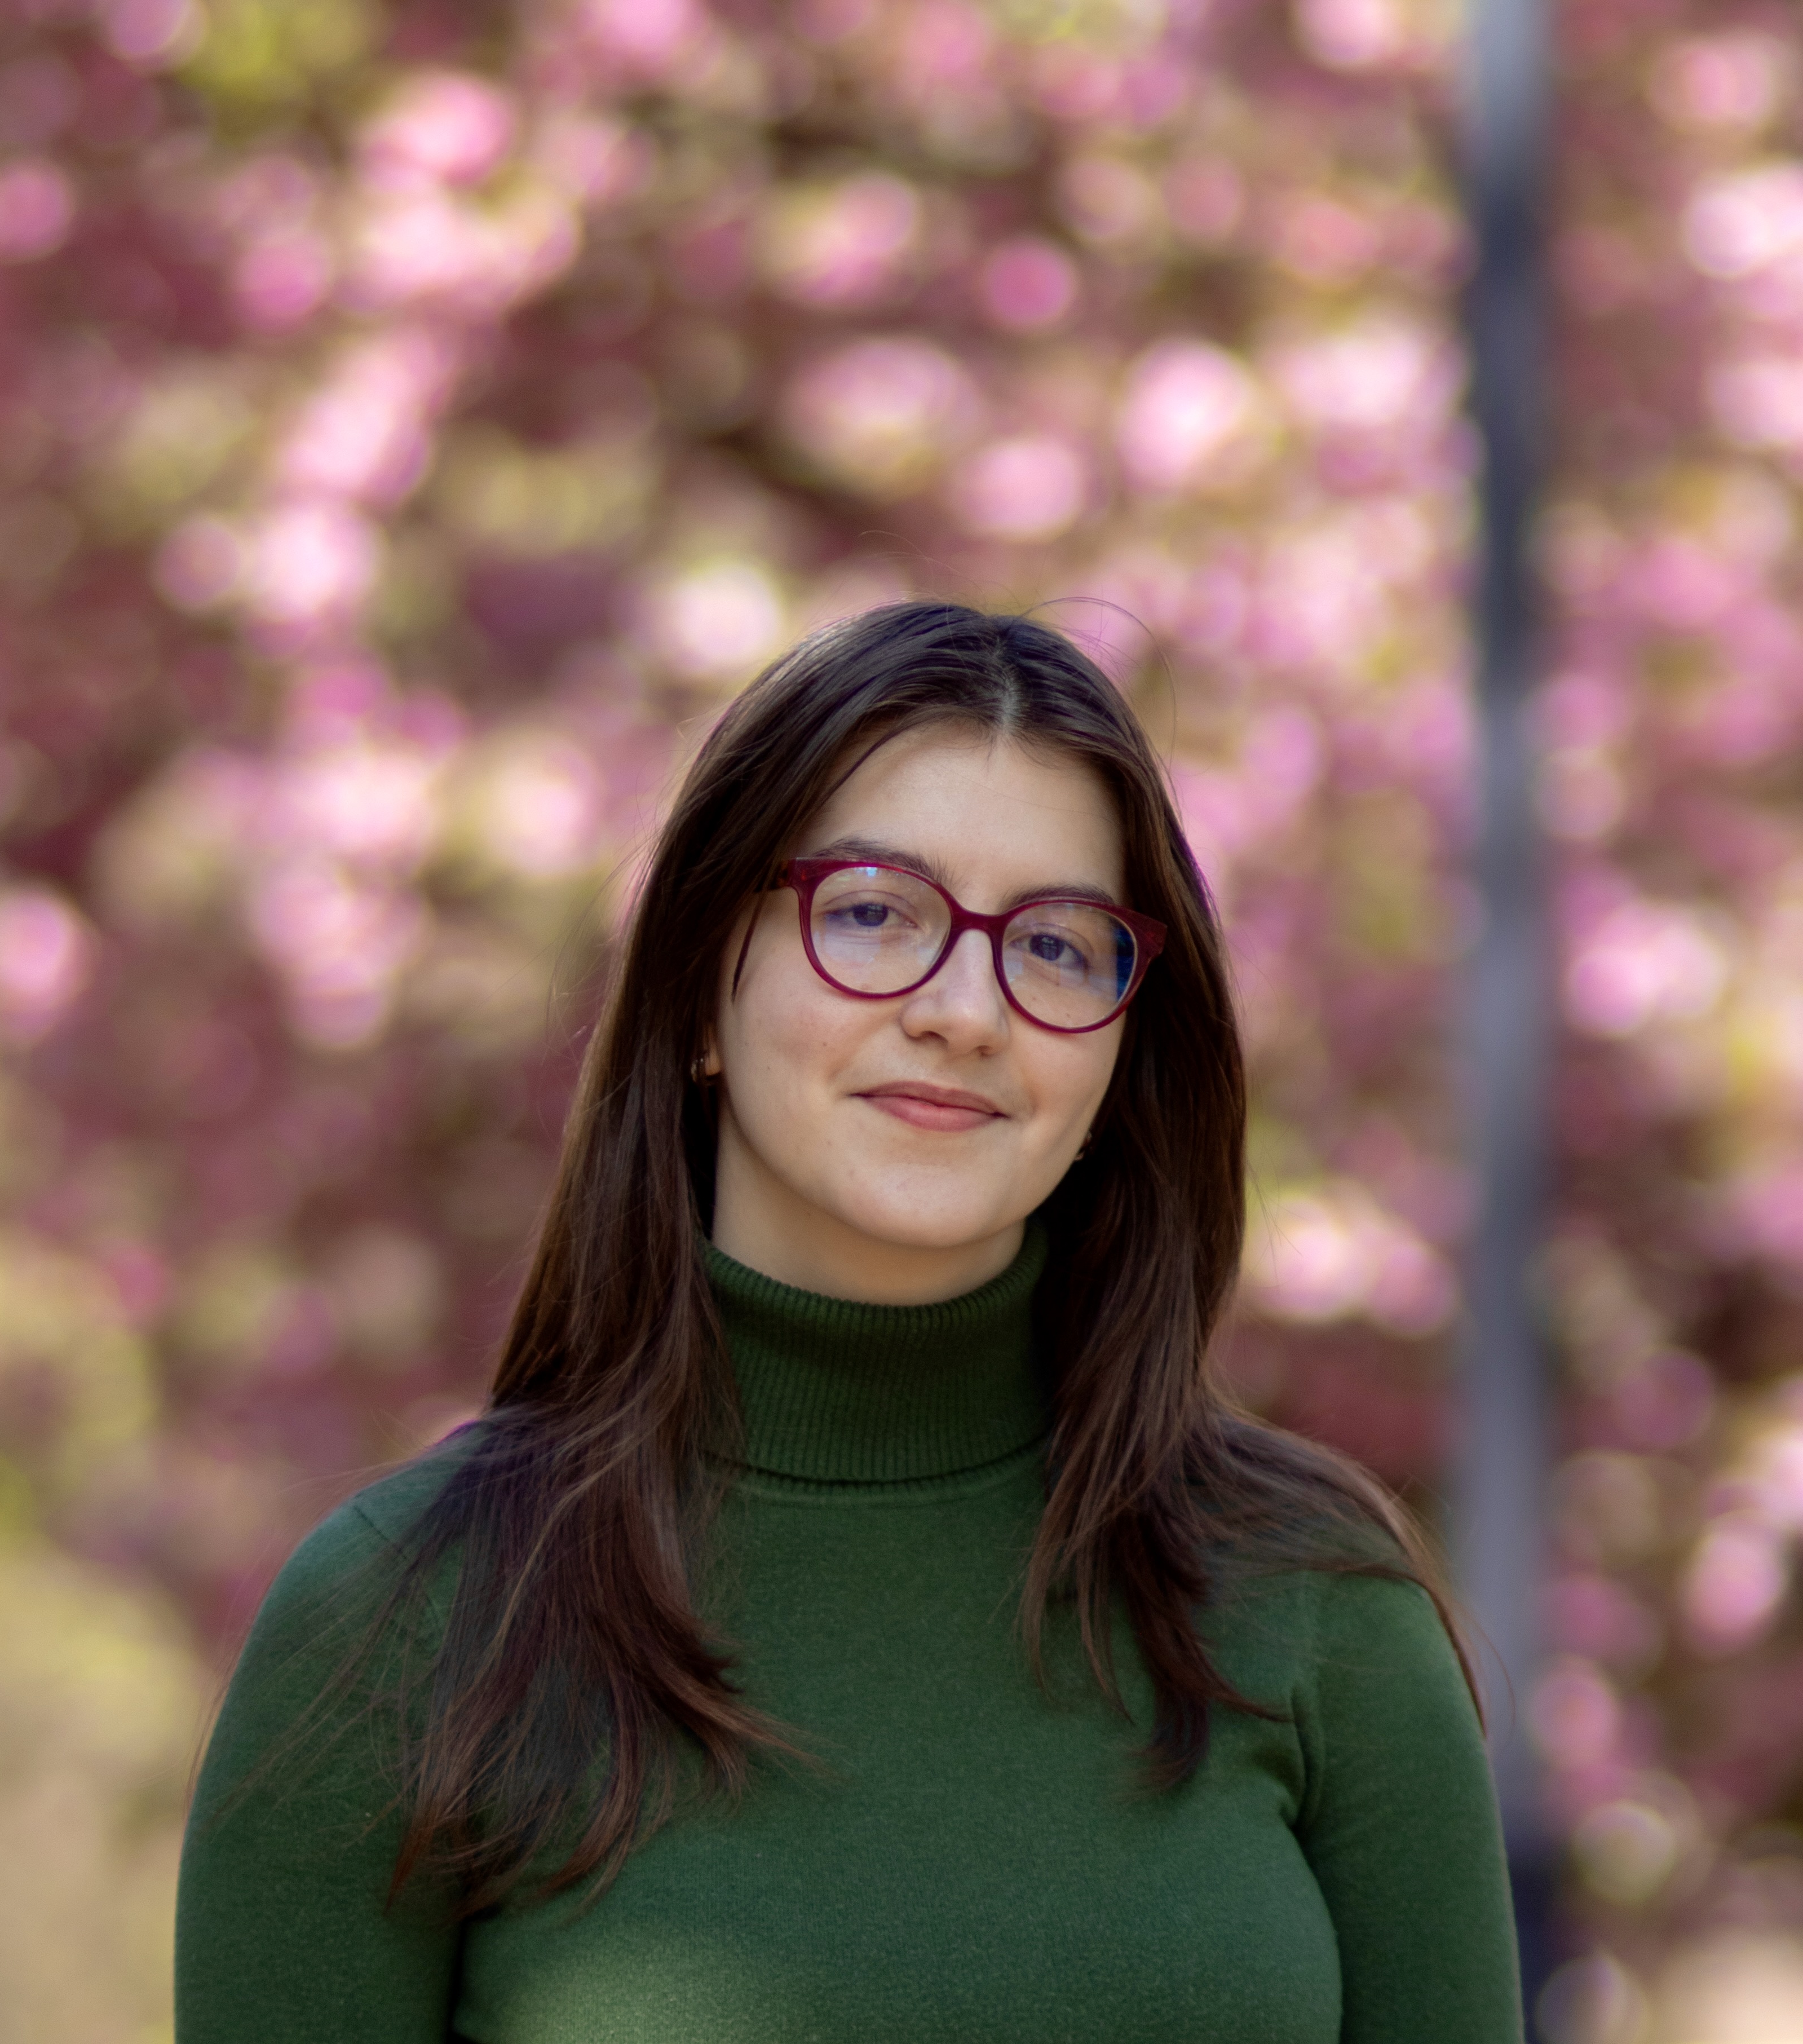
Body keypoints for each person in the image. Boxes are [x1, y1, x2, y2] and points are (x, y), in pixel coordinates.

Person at [176, 601, 1523, 2043]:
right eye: (874, 910)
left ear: (1125, 1051)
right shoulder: (406, 1623)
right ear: (703, 987)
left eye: (1060, 947)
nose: (965, 1007)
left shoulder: (1315, 1602)